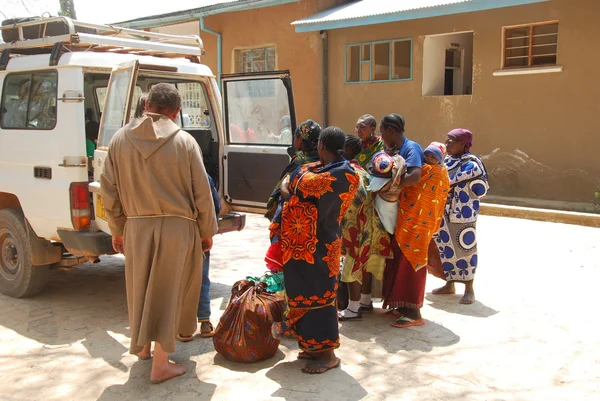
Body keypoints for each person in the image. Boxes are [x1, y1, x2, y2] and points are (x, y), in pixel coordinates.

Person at [100, 83, 218, 383]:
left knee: (140, 287)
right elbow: (202, 194)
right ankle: (162, 365)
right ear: (176, 111)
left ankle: (143, 350)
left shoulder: (119, 139)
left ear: (147, 104)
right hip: (178, 229)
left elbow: (108, 190)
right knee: (170, 292)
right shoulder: (185, 142)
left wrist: (117, 228)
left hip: (136, 226)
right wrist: (207, 231)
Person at [272, 126, 359, 374]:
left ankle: (328, 355)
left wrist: (289, 192)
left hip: (321, 246)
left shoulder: (343, 173)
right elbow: (300, 181)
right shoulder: (329, 169)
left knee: (320, 298)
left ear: (321, 145)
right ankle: (312, 346)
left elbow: (299, 181)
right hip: (307, 246)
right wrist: (292, 191)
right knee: (304, 294)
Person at [379, 114, 450, 328]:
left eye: (382, 131)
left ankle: (414, 312)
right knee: (399, 259)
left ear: (391, 131)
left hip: (416, 218)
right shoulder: (397, 150)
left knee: (411, 260)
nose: (380, 136)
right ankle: (402, 306)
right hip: (403, 214)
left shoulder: (411, 149)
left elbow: (416, 177)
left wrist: (390, 184)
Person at [339, 142, 405, 320]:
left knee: (351, 269)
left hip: (358, 230)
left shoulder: (347, 173)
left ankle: (353, 309)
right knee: (366, 267)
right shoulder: (365, 172)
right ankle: (365, 302)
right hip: (375, 227)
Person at [432, 129, 489, 304]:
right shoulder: (447, 161)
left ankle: (469, 288)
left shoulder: (473, 164)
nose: (447, 144)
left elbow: (479, 188)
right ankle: (450, 283)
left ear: (463, 144)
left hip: (463, 214)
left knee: (465, 249)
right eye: (446, 141)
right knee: (446, 248)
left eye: (451, 141)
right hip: (443, 213)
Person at [264, 120, 322, 272]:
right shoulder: (324, 160)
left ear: (300, 140)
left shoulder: (300, 161)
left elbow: (283, 188)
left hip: (294, 216)